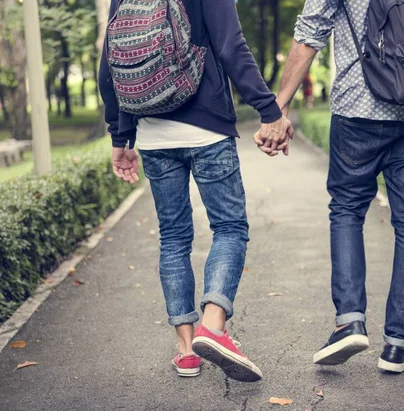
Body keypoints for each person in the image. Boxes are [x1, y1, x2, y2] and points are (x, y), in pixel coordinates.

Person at [99, 0, 292, 382]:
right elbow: (230, 46)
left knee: (173, 237)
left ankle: (187, 352)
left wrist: (120, 135)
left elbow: (110, 66)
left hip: (152, 132)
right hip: (207, 129)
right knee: (230, 228)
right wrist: (269, 111)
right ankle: (213, 326)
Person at [256, 0, 404, 373]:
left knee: (346, 210)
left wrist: (277, 109)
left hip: (359, 106)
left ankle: (349, 321)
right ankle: (397, 345)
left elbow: (310, 32)